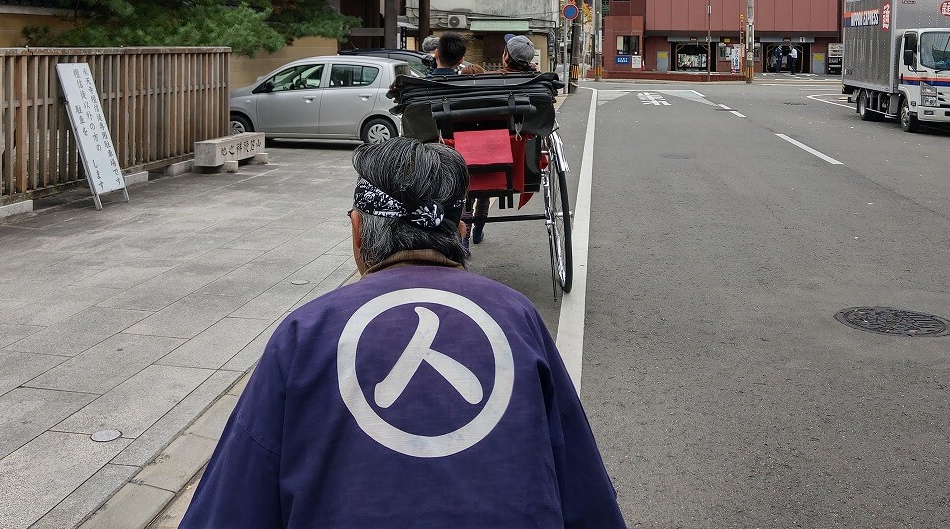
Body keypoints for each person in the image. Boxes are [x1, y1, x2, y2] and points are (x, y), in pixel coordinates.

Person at [180, 137, 627, 529]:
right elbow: (584, 493)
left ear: (357, 232)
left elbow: (234, 502)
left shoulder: (307, 332)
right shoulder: (517, 317)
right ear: (462, 230)